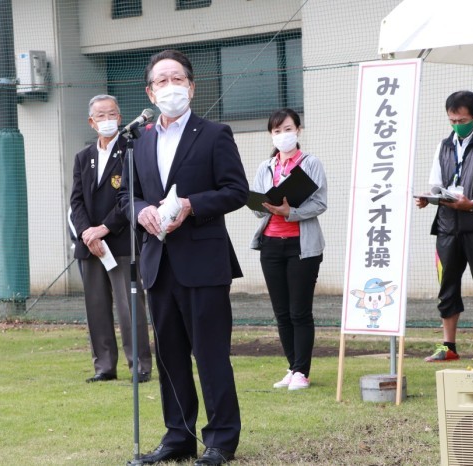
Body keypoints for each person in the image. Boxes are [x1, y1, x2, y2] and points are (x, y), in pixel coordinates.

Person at [118, 50, 248, 466]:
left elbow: (236, 191)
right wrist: (140, 212)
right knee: (169, 354)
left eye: (178, 79)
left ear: (191, 87)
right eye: (162, 81)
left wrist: (192, 205)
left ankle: (221, 439)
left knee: (210, 354)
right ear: (150, 92)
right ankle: (179, 434)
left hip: (204, 262)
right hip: (158, 262)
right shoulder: (139, 140)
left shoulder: (214, 134)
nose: (170, 86)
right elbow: (127, 196)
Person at [415, 90, 473, 362]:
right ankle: (448, 346)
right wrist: (429, 198)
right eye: (452, 120)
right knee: (446, 286)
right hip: (446, 226)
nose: (458, 125)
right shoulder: (443, 145)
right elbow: (437, 184)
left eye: (463, 119)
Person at [70, 94, 153, 383]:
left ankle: (139, 366)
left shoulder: (132, 149)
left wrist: (104, 228)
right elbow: (76, 201)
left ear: (119, 117)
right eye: (100, 116)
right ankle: (104, 366)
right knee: (96, 308)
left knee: (130, 306)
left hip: (120, 242)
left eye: (112, 114)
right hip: (90, 247)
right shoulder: (83, 157)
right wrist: (86, 233)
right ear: (91, 122)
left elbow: (131, 197)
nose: (107, 120)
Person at [250, 108, 327, 390]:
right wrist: (264, 206)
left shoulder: (311, 163)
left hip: (302, 247)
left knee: (299, 312)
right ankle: (292, 367)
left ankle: (301, 372)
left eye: (288, 129)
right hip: (270, 244)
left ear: (298, 130)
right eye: (277, 131)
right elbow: (259, 208)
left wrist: (289, 211)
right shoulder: (265, 167)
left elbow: (320, 203)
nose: (283, 135)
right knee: (281, 312)